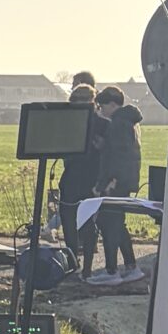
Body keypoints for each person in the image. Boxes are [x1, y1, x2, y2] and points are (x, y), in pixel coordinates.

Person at [94, 88, 146, 283]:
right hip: (123, 181)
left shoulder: (118, 124)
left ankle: (111, 271)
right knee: (117, 224)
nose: (100, 110)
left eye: (102, 105)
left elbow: (118, 157)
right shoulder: (128, 123)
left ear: (113, 104)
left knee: (109, 225)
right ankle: (131, 266)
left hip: (115, 182)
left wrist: (109, 181)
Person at [55, 83, 105, 276]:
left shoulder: (69, 122)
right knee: (85, 223)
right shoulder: (102, 124)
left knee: (72, 221)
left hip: (76, 177)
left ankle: (74, 262)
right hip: (87, 178)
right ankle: (84, 266)